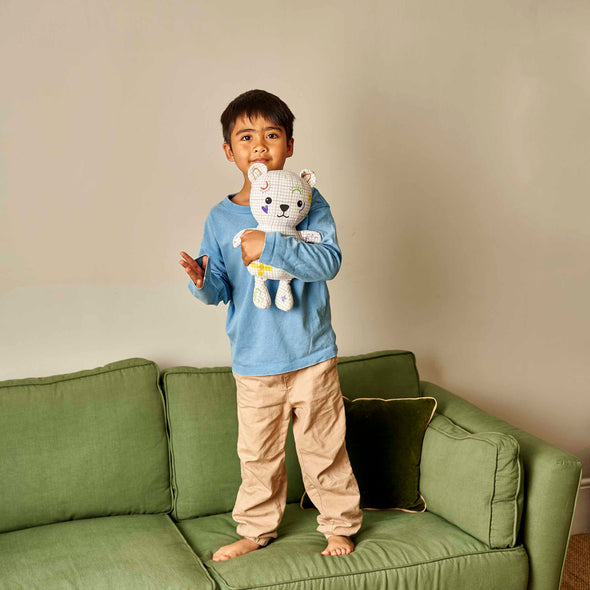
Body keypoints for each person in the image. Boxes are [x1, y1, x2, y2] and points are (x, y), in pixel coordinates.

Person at [179, 89, 362, 561]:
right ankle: (257, 529)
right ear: (230, 152)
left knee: (324, 449)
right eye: (246, 137)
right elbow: (220, 287)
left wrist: (271, 245)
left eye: (271, 135)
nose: (259, 144)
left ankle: (339, 526)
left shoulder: (309, 201)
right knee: (258, 455)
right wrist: (202, 282)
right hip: (254, 359)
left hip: (311, 353)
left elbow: (328, 261)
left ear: (290, 145)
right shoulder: (221, 218)